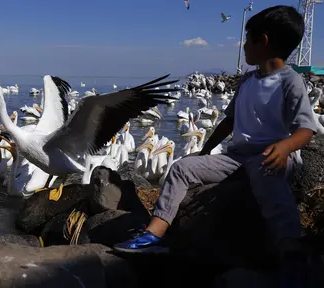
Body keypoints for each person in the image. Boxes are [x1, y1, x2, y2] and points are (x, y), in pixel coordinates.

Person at [114, 5, 316, 286]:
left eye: (247, 40)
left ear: (264, 41)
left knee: (269, 185)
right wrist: (206, 150)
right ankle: (155, 232)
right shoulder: (247, 82)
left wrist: (284, 148)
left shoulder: (290, 82)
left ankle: (291, 252)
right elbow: (228, 121)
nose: (243, 46)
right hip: (237, 156)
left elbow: (307, 130)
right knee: (182, 168)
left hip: (272, 155)